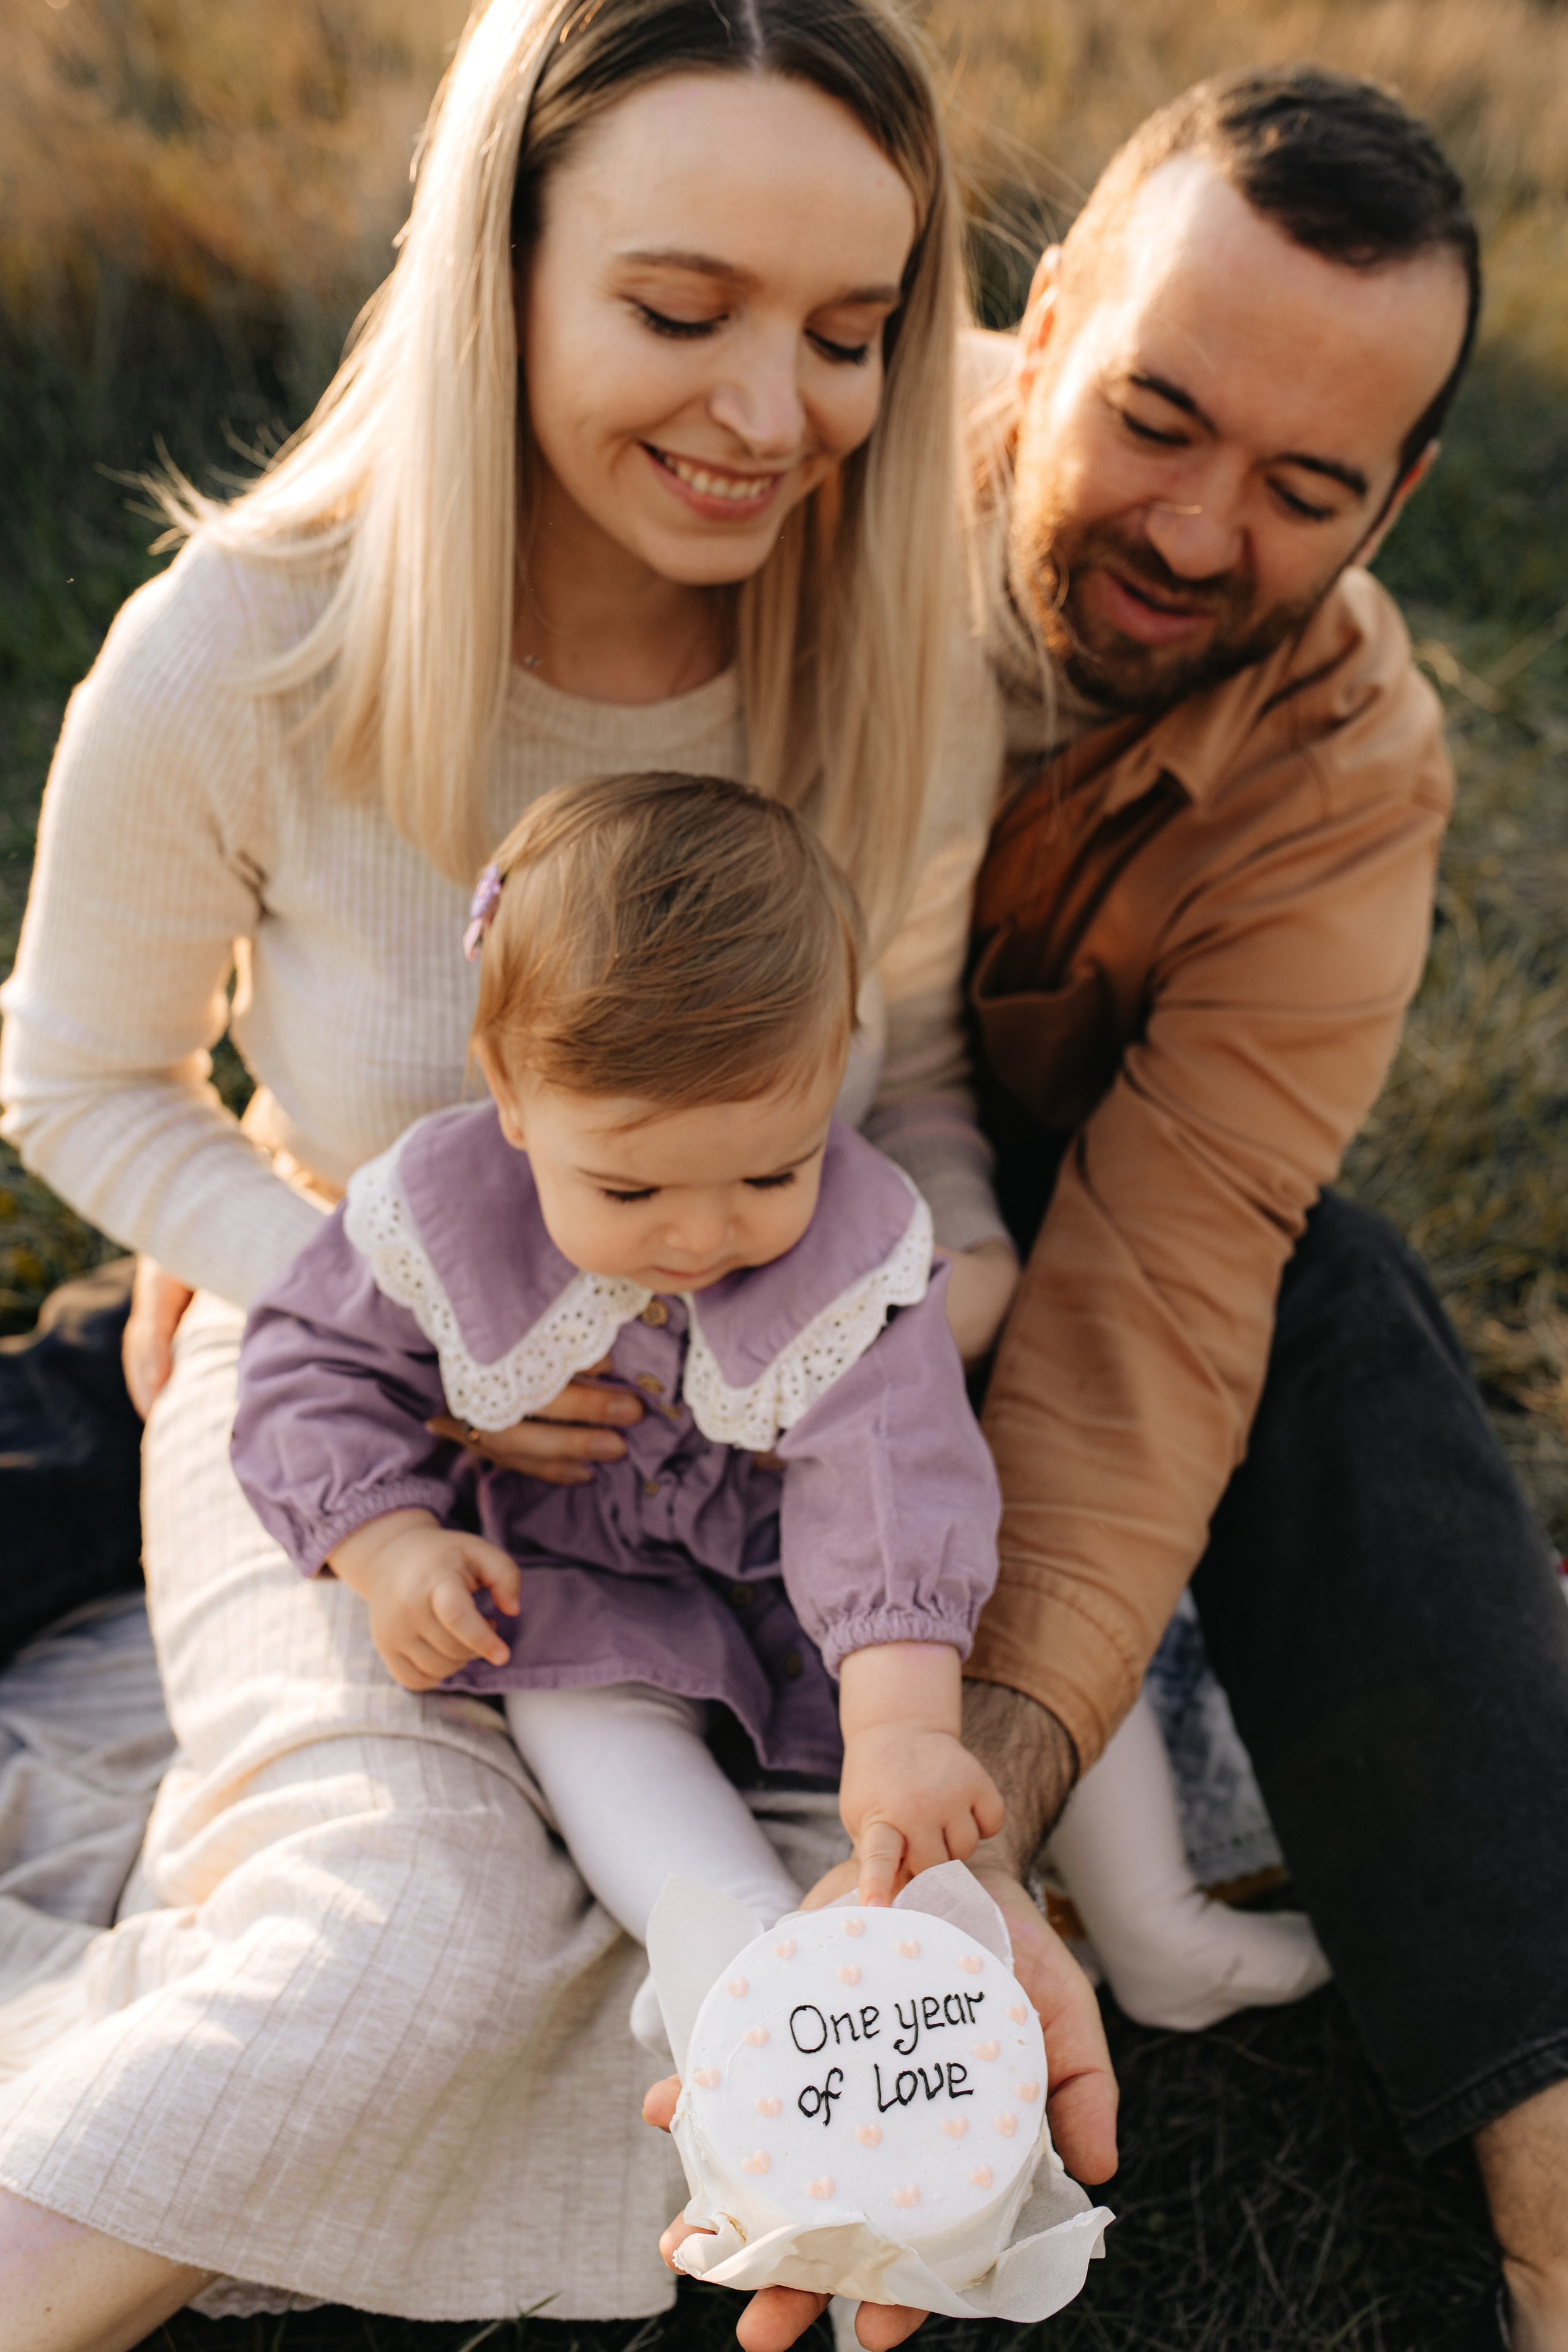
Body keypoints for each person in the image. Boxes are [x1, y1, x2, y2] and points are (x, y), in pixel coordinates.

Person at [0, 3, 1117, 2344]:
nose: (768, 414)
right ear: (495, 268)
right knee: (414, 1945)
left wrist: (945, 1305)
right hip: (349, 1423)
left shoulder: (891, 658)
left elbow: (894, 1077)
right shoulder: (243, 650)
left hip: (738, 1460)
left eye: (848, 333)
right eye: (678, 310)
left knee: (800, 1989)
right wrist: (381, 1299)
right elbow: (79, 1081)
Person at [941, 66, 1568, 2352]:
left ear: (1399, 500)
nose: (1202, 535)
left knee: (1327, 1311)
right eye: (1155, 419)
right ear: (1044, 315)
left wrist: (973, 1795)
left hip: (1033, 1204)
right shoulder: (782, 452)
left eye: (1306, 489)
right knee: (179, 1378)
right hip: (615, 1166)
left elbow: (1164, 1284)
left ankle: (1552, 2165)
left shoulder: (1347, 766)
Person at [232, 771, 1007, 2006]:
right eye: (632, 1193)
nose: (699, 1238)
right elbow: (304, 1366)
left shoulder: (857, 1245)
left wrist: (900, 1725)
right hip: (581, 1581)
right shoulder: (445, 1206)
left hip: (806, 1590)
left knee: (985, 1691)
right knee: (588, 1721)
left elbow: (892, 1474)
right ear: (509, 1092)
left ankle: (1146, 1918)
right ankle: (737, 1956)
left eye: (769, 1174)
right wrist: (389, 1550)